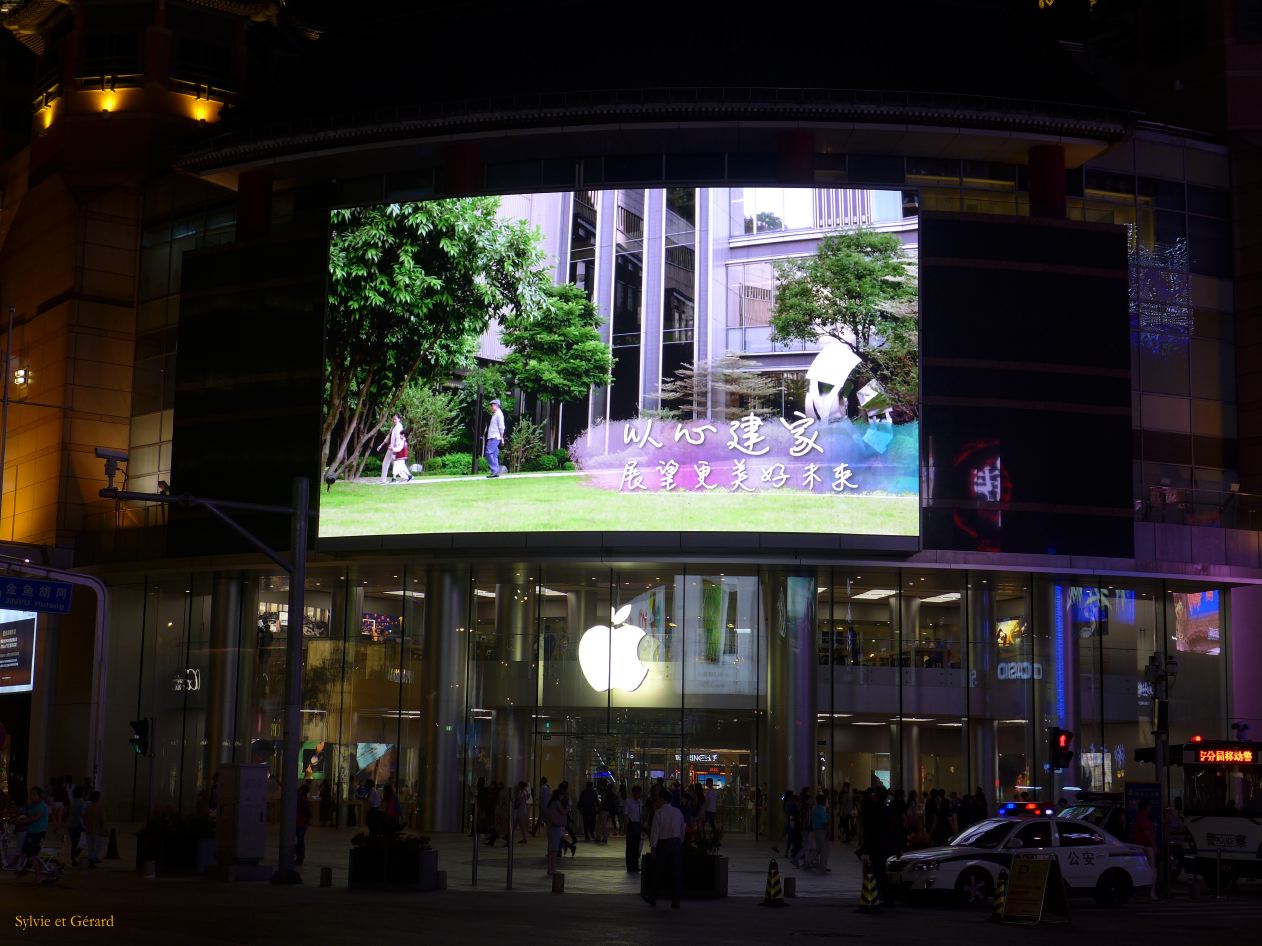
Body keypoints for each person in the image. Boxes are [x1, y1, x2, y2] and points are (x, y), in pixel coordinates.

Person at [646, 791, 686, 908]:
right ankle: (676, 901)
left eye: (658, 799)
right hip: (676, 843)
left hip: (663, 844)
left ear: (662, 800)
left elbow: (655, 832)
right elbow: (682, 828)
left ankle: (653, 897)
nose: (656, 801)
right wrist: (680, 842)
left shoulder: (659, 813)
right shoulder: (678, 812)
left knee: (658, 871)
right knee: (676, 872)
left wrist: (653, 848)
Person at [13, 786, 49, 877]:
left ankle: (38, 874)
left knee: (31, 853)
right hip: (31, 832)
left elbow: (34, 818)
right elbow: (25, 813)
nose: (32, 796)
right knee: (24, 851)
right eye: (31, 794)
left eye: (34, 794)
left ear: (39, 795)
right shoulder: (32, 805)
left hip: (38, 833)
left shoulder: (41, 806)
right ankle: (24, 869)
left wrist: (21, 821)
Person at [545, 785, 570, 876]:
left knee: (550, 850)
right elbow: (563, 812)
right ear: (559, 795)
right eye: (562, 795)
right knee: (554, 850)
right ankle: (553, 869)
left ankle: (550, 868)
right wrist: (567, 808)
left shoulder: (551, 803)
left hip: (551, 827)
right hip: (555, 827)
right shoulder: (556, 803)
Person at [378, 413, 405, 484]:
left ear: (399, 419)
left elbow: (398, 439)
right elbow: (388, 436)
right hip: (391, 448)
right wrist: (381, 445)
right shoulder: (393, 426)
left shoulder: (399, 427)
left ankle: (403, 477)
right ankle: (383, 480)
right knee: (386, 463)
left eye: (395, 419)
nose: (394, 420)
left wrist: (395, 448)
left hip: (395, 448)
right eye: (393, 419)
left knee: (395, 464)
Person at [625, 785, 644, 873]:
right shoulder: (628, 802)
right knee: (630, 847)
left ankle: (635, 865)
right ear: (633, 793)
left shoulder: (640, 802)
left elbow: (641, 815)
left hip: (638, 824)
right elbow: (626, 815)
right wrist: (625, 827)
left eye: (639, 793)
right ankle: (630, 866)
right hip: (631, 824)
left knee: (637, 846)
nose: (639, 795)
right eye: (637, 793)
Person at [66, 785, 87, 867]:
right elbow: (82, 814)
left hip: (70, 824)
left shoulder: (72, 801)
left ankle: (73, 858)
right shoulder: (82, 802)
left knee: (74, 843)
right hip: (78, 824)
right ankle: (74, 855)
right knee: (83, 843)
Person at [484, 398, 505, 478]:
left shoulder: (499, 414)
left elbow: (501, 427)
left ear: (496, 405)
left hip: (494, 437)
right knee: (494, 454)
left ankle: (494, 470)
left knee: (488, 453)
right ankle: (495, 471)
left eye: (492, 405)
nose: (491, 407)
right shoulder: (495, 414)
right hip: (494, 436)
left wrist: (501, 437)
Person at [811, 793, 831, 873]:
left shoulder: (815, 809)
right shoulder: (821, 810)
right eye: (826, 800)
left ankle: (808, 862)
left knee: (818, 849)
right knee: (825, 850)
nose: (827, 801)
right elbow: (824, 822)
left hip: (816, 830)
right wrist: (828, 832)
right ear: (823, 801)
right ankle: (822, 867)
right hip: (821, 831)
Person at [295, 783, 310, 866]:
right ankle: (300, 857)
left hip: (300, 823)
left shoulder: (301, 800)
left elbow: (308, 813)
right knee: (300, 841)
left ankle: (299, 857)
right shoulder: (304, 800)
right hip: (302, 824)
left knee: (299, 841)